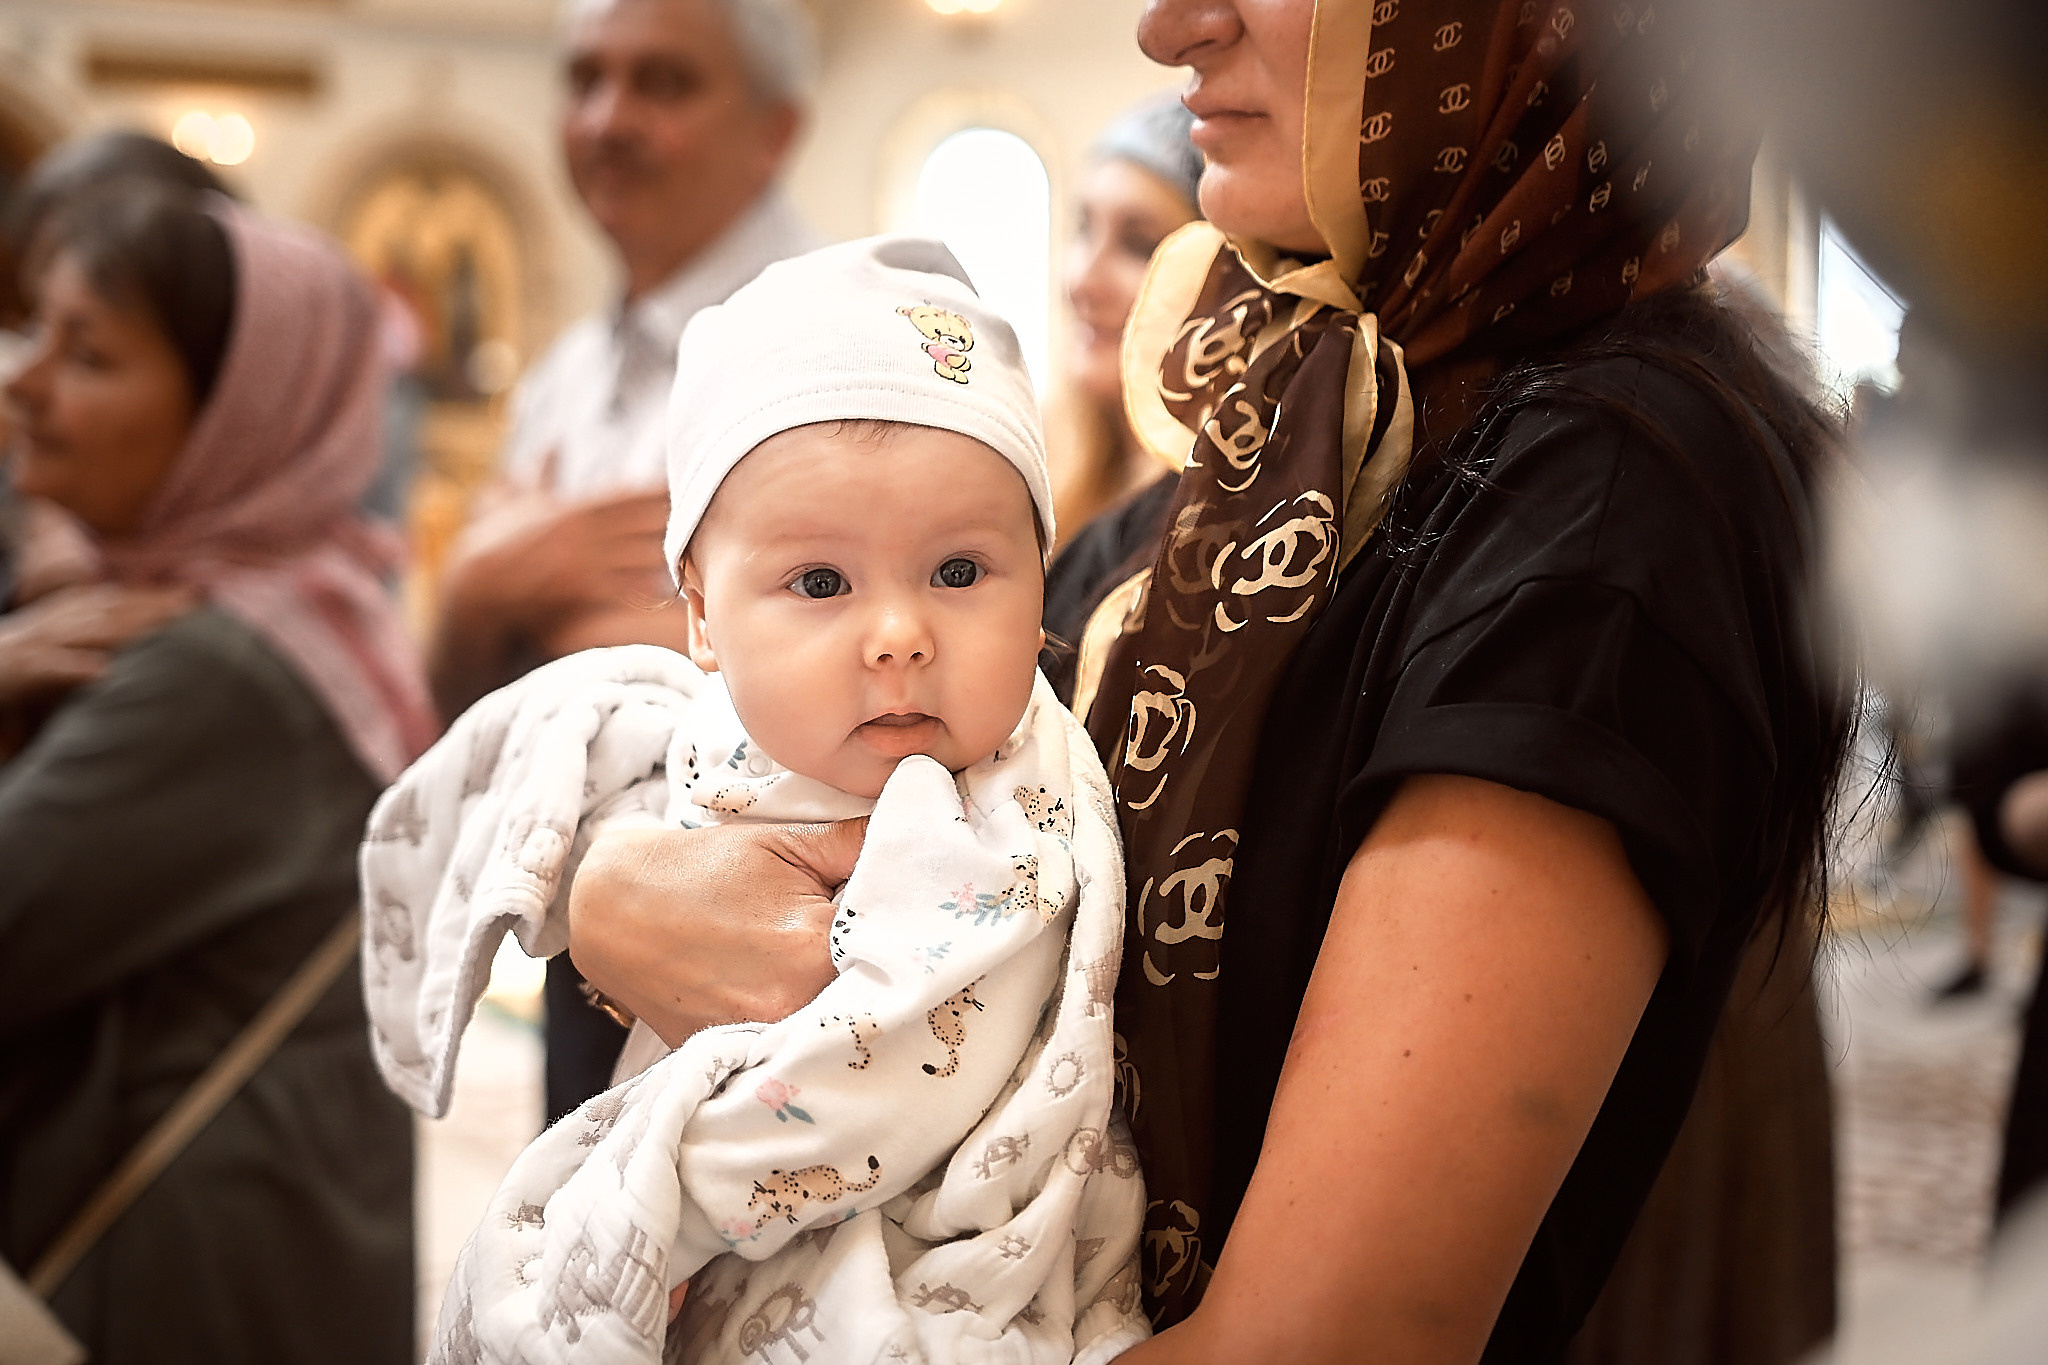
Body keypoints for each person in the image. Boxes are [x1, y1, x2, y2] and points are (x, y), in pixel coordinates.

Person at [563, 1, 1854, 1360]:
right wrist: (612, 890)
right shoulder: (1296, 404)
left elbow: (1322, 1340)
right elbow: (909, 762)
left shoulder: (1605, 492)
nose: (1168, 25)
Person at [362, 238, 1147, 1363]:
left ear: (1040, 586)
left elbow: (885, 1081)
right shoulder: (676, 729)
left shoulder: (1004, 805)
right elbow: (505, 781)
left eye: (960, 572)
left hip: (914, 1247)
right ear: (697, 617)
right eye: (819, 584)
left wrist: (635, 1202)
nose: (898, 635)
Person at [0, 182, 434, 1362]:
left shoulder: (222, 671)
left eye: (86, 354)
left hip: (179, 1277)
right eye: (35, 331)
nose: (25, 380)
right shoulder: (281, 610)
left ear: (231, 418)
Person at [427, 0, 820, 1123]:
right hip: (578, 938)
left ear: (776, 128)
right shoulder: (562, 375)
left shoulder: (832, 345)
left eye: (664, 83)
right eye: (585, 78)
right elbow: (473, 703)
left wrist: (537, 611)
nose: (608, 119)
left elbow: (850, 671)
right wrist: (485, 596)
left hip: (776, 974)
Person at [1048, 95, 1202, 545]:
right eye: (1083, 228)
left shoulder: (1200, 521)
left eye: (1138, 245)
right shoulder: (1033, 467)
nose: (1082, 280)